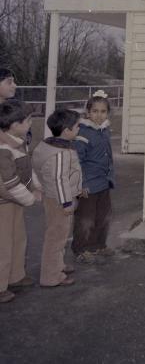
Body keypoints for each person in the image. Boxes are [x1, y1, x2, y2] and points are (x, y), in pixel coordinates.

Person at [32, 108, 83, 288]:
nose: (79, 129)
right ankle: (51, 276)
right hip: (60, 200)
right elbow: (59, 180)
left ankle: (58, 265)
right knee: (56, 237)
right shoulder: (60, 153)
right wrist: (67, 202)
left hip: (50, 196)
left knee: (57, 234)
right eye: (77, 126)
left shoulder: (47, 145)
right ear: (67, 130)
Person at [71, 92, 115, 265]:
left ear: (108, 113)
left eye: (103, 111)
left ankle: (98, 245)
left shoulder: (105, 131)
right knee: (85, 219)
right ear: (87, 112)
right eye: (95, 111)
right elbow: (77, 161)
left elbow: (108, 155)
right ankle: (81, 248)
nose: (99, 115)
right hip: (87, 184)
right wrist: (80, 183)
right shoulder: (83, 132)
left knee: (103, 216)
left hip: (104, 182)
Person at [0, 101, 36, 304]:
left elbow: (27, 170)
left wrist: (35, 186)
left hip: (15, 201)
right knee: (3, 244)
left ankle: (15, 276)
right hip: (4, 202)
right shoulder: (4, 148)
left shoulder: (19, 142)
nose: (31, 123)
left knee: (18, 238)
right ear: (15, 125)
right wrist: (30, 198)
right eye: (29, 120)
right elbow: (10, 182)